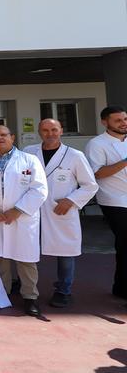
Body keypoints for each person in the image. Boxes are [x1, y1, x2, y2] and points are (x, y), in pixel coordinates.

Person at [0, 125, 48, 316]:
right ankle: (1, 294)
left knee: (26, 260)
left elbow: (39, 189)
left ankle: (30, 297)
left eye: (4, 135)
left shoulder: (29, 160)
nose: (0, 138)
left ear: (12, 137)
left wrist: (18, 210)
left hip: (22, 218)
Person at [24, 119, 98, 308]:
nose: (50, 134)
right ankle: (24, 285)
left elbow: (90, 185)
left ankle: (63, 290)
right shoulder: (28, 152)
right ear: (40, 132)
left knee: (65, 253)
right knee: (25, 249)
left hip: (61, 211)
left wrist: (71, 200)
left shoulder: (75, 155)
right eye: (45, 130)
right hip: (32, 210)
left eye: (54, 129)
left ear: (61, 131)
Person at [86, 106, 127, 302]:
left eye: (125, 119)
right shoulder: (97, 144)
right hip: (114, 200)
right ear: (105, 122)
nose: (124, 123)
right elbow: (98, 173)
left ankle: (120, 287)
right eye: (118, 120)